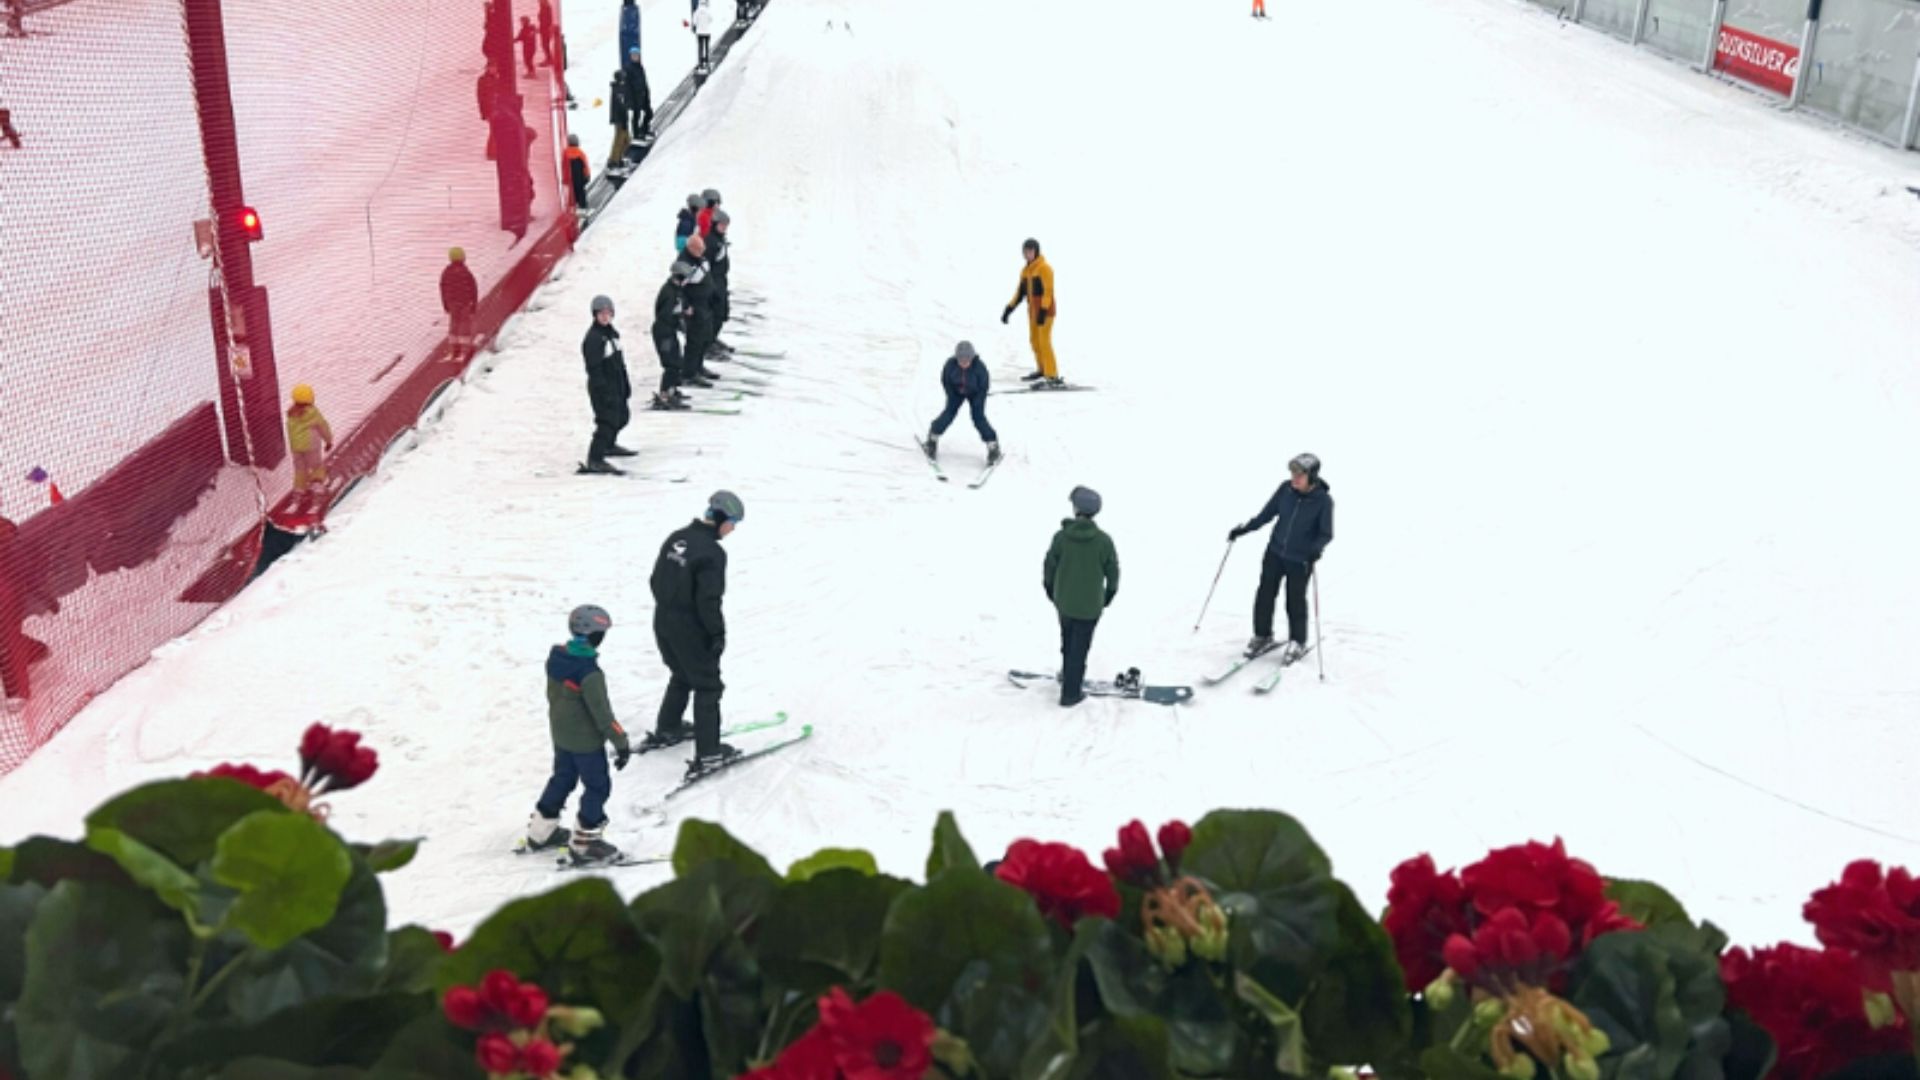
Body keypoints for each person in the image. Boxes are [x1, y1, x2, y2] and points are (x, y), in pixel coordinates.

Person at [647, 491, 745, 777]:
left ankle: (669, 727)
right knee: (708, 686)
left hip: (662, 619)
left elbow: (655, 579)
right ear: (721, 519)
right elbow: (708, 600)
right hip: (689, 626)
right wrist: (717, 634)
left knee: (681, 674)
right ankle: (710, 754)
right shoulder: (712, 552)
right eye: (734, 522)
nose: (733, 529)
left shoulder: (677, 537)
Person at [526, 604, 631, 865]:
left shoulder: (556, 659)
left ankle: (541, 831)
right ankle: (586, 843)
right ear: (595, 635)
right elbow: (603, 716)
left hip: (561, 736)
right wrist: (621, 743)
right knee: (597, 786)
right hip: (586, 743)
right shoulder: (590, 674)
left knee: (562, 778)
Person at [1227, 453, 1333, 660]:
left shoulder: (1323, 501)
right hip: (1274, 553)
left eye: (1300, 475)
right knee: (1265, 595)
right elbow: (1266, 514)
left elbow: (1325, 533)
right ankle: (1262, 635)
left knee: (1294, 601)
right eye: (1293, 474)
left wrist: (1315, 549)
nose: (1294, 479)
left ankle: (1298, 641)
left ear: (1312, 476)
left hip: (1300, 559)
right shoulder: (1285, 490)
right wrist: (1245, 529)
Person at [1043, 486, 1119, 707]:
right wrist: (1107, 597)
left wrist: (1051, 591)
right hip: (1090, 607)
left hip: (1064, 602)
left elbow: (1049, 567)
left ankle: (1068, 675)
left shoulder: (1061, 538)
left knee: (1067, 641)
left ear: (1076, 509)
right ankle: (1071, 693)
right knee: (1080, 647)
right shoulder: (1104, 541)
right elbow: (1113, 573)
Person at [921, 341, 1000, 465]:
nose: (964, 363)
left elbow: (984, 386)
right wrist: (952, 394)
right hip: (956, 392)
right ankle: (933, 438)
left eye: (966, 360)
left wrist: (978, 401)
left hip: (976, 393)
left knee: (978, 417)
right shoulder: (950, 365)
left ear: (972, 358)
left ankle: (993, 445)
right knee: (948, 414)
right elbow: (946, 381)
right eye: (961, 360)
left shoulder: (979, 368)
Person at [580, 295, 635, 473]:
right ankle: (595, 458)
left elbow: (619, 361)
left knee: (622, 417)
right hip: (603, 386)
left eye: (608, 313)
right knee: (606, 421)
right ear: (595, 315)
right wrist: (603, 390)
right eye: (601, 313)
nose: (605, 317)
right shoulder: (594, 338)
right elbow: (594, 368)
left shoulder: (611, 334)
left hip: (616, 383)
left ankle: (609, 445)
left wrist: (625, 384)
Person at [1001, 237, 1060, 386]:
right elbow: (1020, 293)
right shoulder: (1025, 271)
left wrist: (1043, 310)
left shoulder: (1045, 268)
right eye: (1025, 252)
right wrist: (1009, 309)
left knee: (1044, 341)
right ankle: (1042, 369)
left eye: (1030, 251)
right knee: (1034, 341)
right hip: (1033, 312)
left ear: (1036, 251)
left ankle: (1052, 375)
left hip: (1045, 312)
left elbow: (1048, 292)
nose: (1028, 254)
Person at [650, 261, 695, 410]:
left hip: (669, 331)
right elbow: (665, 315)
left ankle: (672, 389)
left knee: (677, 360)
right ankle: (664, 394)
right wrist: (680, 316)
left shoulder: (676, 289)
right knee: (671, 364)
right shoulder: (669, 293)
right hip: (664, 333)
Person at [679, 235, 720, 383]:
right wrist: (685, 306)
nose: (702, 252)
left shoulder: (700, 259)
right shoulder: (683, 264)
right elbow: (678, 288)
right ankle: (690, 372)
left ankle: (699, 366)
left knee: (705, 338)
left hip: (706, 305)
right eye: (699, 249)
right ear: (691, 248)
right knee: (694, 341)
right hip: (694, 308)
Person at [285, 384, 334, 494]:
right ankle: (317, 485)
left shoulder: (291, 414)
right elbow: (323, 427)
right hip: (311, 446)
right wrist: (328, 440)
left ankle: (299, 488)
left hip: (296, 447)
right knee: (316, 465)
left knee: (300, 468)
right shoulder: (313, 413)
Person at [441, 247, 480, 359]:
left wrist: (446, 304)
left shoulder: (446, 272)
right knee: (465, 324)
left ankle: (454, 348)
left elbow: (443, 288)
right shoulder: (465, 272)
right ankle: (465, 349)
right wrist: (474, 304)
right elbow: (473, 288)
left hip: (452, 303)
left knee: (454, 323)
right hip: (465, 302)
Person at [704, 208, 733, 357]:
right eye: (722, 225)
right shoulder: (710, 240)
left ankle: (712, 339)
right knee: (714, 313)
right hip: (713, 281)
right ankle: (707, 343)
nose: (724, 228)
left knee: (722, 313)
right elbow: (706, 263)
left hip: (721, 280)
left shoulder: (719, 239)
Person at [624, 47, 654, 141]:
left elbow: (644, 80)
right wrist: (630, 100)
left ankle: (644, 129)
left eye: (637, 55)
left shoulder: (640, 66)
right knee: (636, 116)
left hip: (643, 94)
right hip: (635, 96)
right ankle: (636, 134)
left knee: (649, 113)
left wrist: (647, 91)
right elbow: (627, 85)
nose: (635, 57)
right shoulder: (628, 68)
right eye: (634, 55)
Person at [607, 70, 632, 170]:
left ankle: (619, 157)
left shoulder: (617, 88)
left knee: (626, 139)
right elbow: (622, 106)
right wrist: (624, 120)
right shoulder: (619, 90)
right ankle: (614, 160)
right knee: (620, 139)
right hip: (620, 119)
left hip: (619, 118)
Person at [564, 133, 590, 212]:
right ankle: (583, 206)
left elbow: (564, 166)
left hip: (570, 178)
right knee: (581, 191)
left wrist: (564, 178)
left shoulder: (565, 153)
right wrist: (587, 175)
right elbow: (585, 165)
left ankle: (571, 206)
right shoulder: (580, 153)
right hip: (580, 178)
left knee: (572, 192)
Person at [692, 0, 714, 70]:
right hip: (707, 32)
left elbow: (694, 22)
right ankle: (707, 61)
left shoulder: (697, 12)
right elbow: (711, 19)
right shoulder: (708, 11)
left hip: (699, 32)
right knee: (707, 47)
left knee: (700, 48)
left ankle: (700, 63)